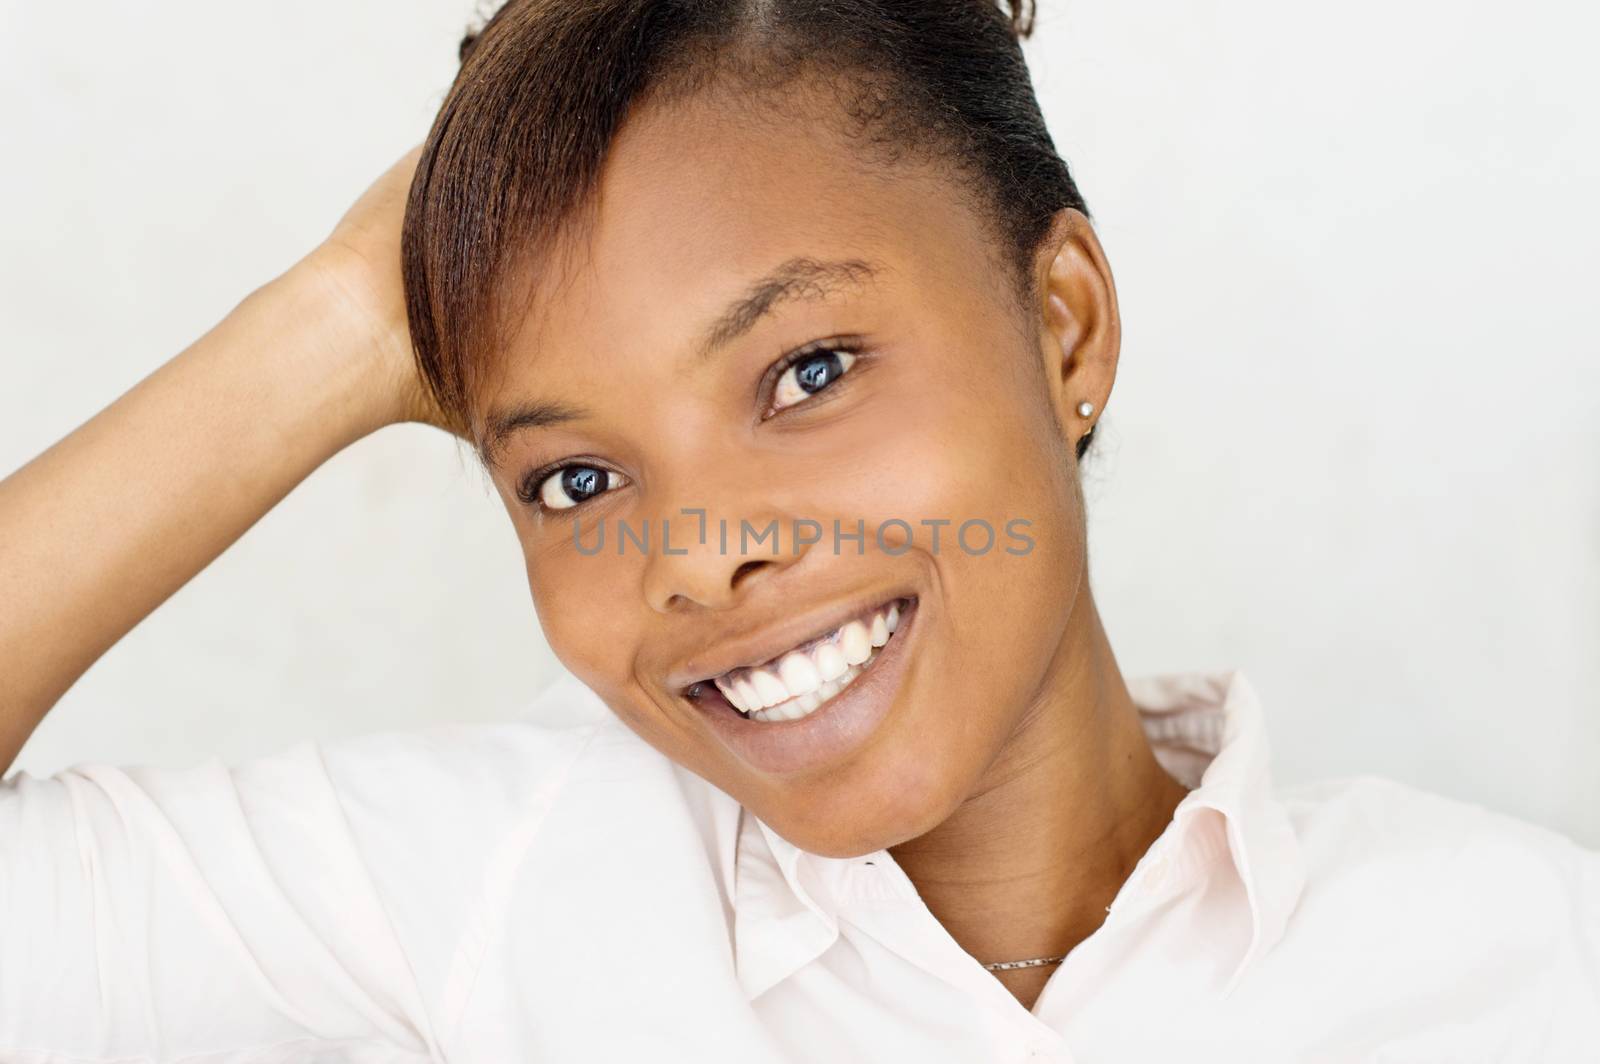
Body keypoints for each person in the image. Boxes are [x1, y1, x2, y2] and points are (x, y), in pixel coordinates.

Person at [1, 0, 1595, 1060]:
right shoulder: (509, 884)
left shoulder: (1526, 962)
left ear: (1065, 328)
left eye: (807, 371)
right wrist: (338, 319)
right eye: (572, 479)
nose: (697, 555)